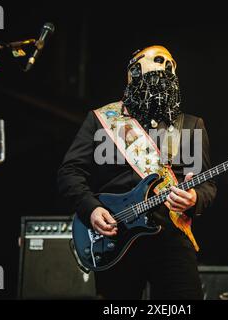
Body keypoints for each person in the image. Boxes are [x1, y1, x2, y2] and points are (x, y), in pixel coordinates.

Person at [58, 45, 217, 299]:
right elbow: (70, 172)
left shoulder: (191, 125)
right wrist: (91, 208)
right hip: (116, 236)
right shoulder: (102, 120)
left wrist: (195, 198)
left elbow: (207, 185)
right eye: (148, 78)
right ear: (133, 77)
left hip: (171, 237)